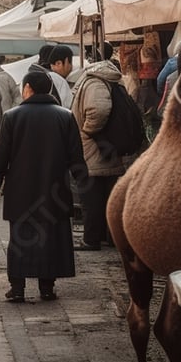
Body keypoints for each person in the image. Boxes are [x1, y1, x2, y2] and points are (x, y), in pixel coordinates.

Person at [0, 71, 87, 302]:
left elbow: (1, 154)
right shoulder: (65, 116)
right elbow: (76, 156)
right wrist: (82, 182)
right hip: (54, 191)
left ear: (27, 88)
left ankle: (17, 289)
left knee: (20, 239)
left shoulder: (12, 116)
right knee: (50, 238)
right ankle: (47, 288)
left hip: (21, 191)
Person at [70, 57, 126, 250]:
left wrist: (89, 130)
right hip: (104, 148)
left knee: (91, 197)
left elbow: (99, 110)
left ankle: (92, 239)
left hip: (94, 149)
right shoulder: (109, 80)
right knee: (106, 197)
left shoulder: (95, 81)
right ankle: (108, 237)